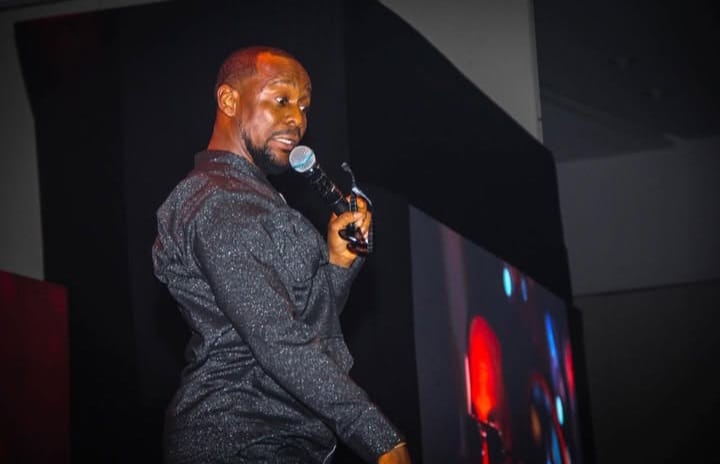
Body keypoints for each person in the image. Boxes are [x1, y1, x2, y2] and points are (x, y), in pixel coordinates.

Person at [152, 46, 411, 464]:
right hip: (240, 437)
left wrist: (337, 264)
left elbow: (306, 323)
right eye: (281, 99)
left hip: (275, 438)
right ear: (229, 100)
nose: (297, 119)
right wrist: (376, 436)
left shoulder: (254, 198)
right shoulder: (218, 201)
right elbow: (276, 337)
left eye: (304, 107)